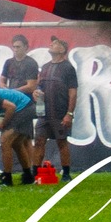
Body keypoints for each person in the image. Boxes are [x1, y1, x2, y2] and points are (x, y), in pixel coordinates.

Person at [0, 35, 41, 186]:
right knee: (18, 142)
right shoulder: (8, 62)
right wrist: (5, 88)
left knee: (21, 139)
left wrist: (13, 91)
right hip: (12, 103)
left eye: (18, 47)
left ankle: (21, 174)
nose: (16, 50)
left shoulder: (30, 63)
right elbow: (1, 80)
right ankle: (28, 174)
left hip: (25, 104)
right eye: (14, 47)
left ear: (26, 47)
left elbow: (31, 85)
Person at [35, 36, 79, 181]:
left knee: (61, 141)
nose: (51, 44)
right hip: (44, 113)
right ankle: (36, 173)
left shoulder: (68, 68)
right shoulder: (46, 67)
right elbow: (39, 86)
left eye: (55, 43)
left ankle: (66, 173)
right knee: (39, 140)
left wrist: (69, 114)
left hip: (60, 113)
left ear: (62, 50)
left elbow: (73, 92)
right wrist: (36, 92)